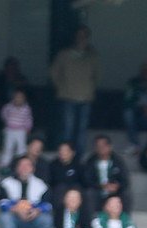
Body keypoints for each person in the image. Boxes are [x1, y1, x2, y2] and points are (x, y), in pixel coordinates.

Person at [49, 26, 99, 158]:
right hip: (67, 96)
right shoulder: (64, 54)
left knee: (82, 130)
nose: (81, 38)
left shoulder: (93, 56)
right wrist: (62, 87)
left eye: (84, 36)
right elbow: (54, 72)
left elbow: (97, 75)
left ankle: (79, 157)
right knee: (67, 129)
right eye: (79, 35)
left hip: (86, 97)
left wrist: (90, 89)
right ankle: (65, 155)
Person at [0, 155, 53, 228]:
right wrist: (16, 209)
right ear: (17, 167)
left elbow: (48, 205)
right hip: (14, 217)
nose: (24, 168)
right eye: (21, 165)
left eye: (27, 165)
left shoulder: (41, 184)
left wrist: (37, 211)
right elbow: (2, 203)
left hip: (34, 217)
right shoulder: (7, 183)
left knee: (47, 221)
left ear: (32, 168)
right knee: (4, 218)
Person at [83, 134, 132, 214]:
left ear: (110, 146)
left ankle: (125, 220)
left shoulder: (118, 161)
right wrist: (101, 186)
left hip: (114, 192)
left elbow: (125, 180)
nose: (101, 148)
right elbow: (87, 180)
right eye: (98, 146)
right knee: (89, 193)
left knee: (126, 194)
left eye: (103, 146)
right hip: (97, 191)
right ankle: (91, 220)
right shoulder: (90, 161)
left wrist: (116, 186)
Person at [0, 89, 32, 167]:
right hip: (10, 130)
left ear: (24, 99)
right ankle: (5, 163)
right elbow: (3, 114)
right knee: (8, 147)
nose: (18, 99)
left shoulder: (26, 108)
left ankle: (21, 162)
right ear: (13, 98)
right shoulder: (8, 107)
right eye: (16, 97)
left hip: (21, 130)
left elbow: (29, 119)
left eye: (21, 97)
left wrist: (28, 127)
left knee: (21, 148)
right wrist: (8, 122)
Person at [48, 141, 84, 208]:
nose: (63, 152)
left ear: (73, 152)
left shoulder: (79, 165)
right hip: (59, 191)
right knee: (60, 188)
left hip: (75, 190)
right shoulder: (53, 165)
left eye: (66, 150)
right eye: (61, 150)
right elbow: (51, 181)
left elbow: (83, 181)